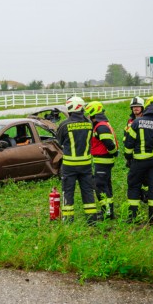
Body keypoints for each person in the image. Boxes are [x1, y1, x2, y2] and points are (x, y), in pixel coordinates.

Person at [123, 96, 153, 224]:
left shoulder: (136, 123)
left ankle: (133, 217)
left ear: (146, 108)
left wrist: (128, 158)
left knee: (133, 186)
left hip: (138, 161)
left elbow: (128, 144)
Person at [56, 96, 98, 224]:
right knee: (88, 191)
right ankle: (91, 219)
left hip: (69, 165)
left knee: (68, 191)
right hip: (85, 164)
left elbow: (59, 142)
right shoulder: (89, 124)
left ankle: (68, 219)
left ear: (69, 108)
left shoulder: (64, 125)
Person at [85, 101, 119, 219]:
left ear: (93, 113)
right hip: (103, 160)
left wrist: (114, 153)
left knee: (100, 186)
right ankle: (109, 212)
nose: (88, 116)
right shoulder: (102, 124)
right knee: (106, 186)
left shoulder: (101, 126)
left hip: (103, 160)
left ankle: (107, 213)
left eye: (89, 114)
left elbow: (109, 144)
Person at [124, 96, 149, 202]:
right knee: (133, 179)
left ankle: (146, 195)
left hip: (145, 154)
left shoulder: (147, 120)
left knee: (147, 179)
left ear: (143, 108)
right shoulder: (130, 121)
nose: (135, 109)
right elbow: (126, 137)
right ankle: (140, 194)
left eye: (138, 107)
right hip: (133, 155)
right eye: (133, 107)